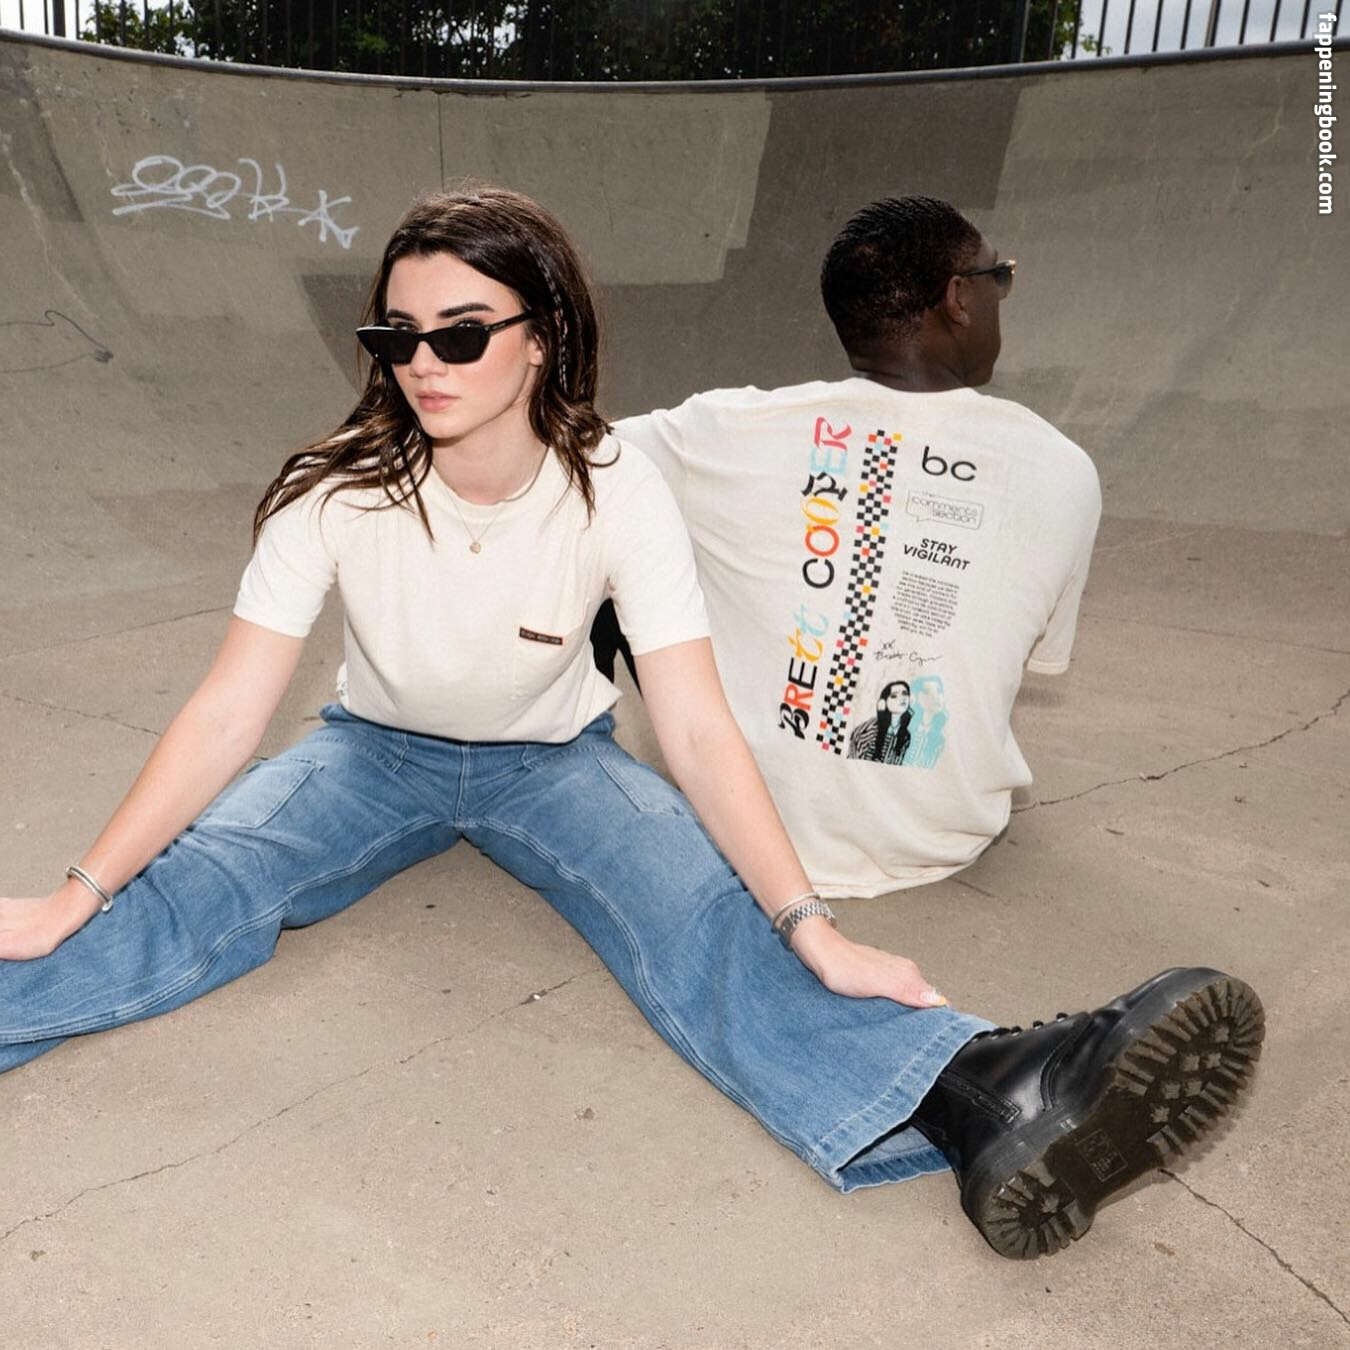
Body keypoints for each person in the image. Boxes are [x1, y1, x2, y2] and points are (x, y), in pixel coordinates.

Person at [0, 187, 1262, 1261]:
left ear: (541, 338)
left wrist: (811, 926)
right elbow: (230, 707)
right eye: (398, 333)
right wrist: (73, 892)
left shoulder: (618, 488)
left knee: (697, 916)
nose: (424, 362)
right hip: (368, 753)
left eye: (462, 333)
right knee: (201, 884)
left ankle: (983, 1093)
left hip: (556, 764)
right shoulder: (334, 491)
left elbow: (697, 726)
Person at [607, 195, 1102, 898]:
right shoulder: (1061, 470)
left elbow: (562, 453)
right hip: (940, 837)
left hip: (743, 832)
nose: (1002, 294)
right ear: (958, 298)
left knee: (617, 514)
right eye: (1000, 277)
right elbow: (1026, 657)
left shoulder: (717, 431)